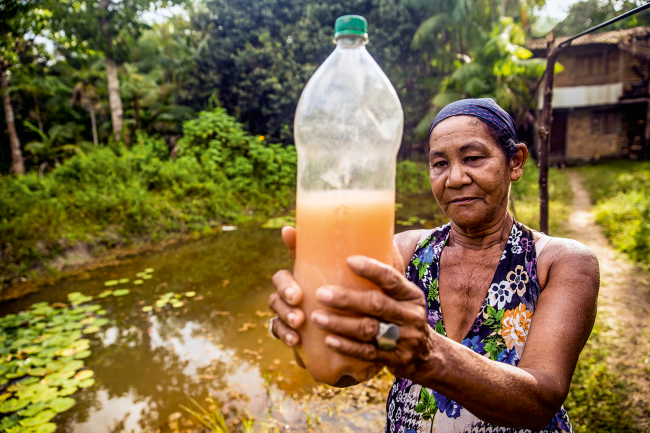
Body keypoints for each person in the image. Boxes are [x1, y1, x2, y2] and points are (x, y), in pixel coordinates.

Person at [268, 98, 600, 433]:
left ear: (515, 161)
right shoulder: (404, 251)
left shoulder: (562, 263)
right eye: (439, 163)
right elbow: (350, 371)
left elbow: (539, 402)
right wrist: (311, 330)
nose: (455, 178)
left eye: (473, 158)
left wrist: (427, 354)